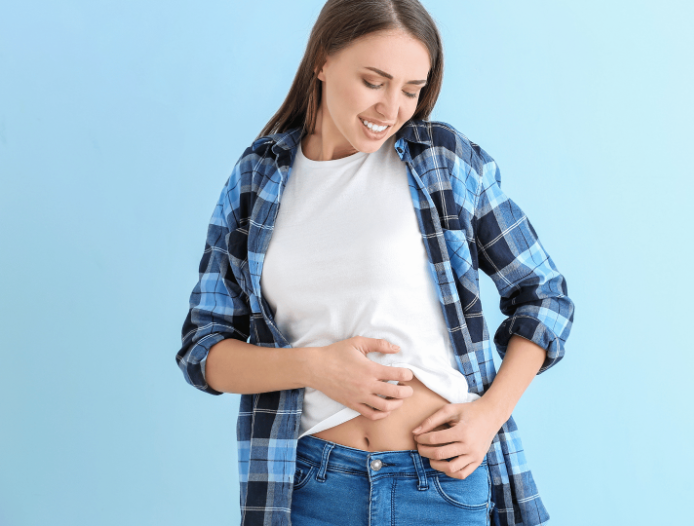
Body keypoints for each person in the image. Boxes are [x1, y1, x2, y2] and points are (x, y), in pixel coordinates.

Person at [175, 1, 574, 525]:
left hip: (441, 485)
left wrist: (488, 417)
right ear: (322, 60)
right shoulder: (258, 178)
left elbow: (545, 296)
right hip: (312, 488)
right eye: (373, 81)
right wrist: (316, 367)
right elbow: (204, 351)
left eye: (412, 90)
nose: (392, 108)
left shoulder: (443, 163)